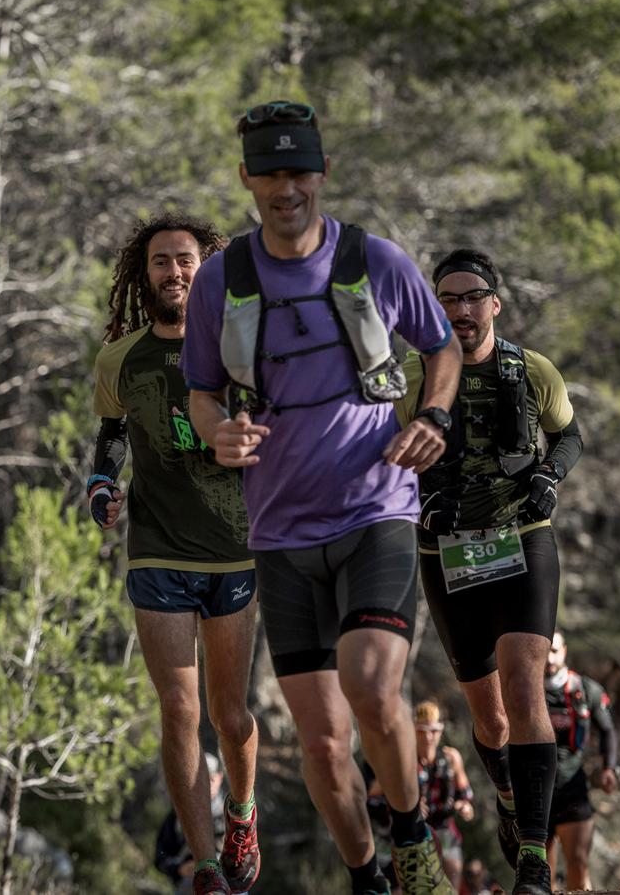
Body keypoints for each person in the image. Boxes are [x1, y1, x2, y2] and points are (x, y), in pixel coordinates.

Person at [182, 99, 463, 895]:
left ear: (324, 172)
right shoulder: (220, 281)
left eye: (299, 170)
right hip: (281, 535)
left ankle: (411, 838)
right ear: (246, 178)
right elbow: (203, 392)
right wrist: (216, 434)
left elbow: (440, 349)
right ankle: (368, 876)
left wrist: (434, 416)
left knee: (375, 691)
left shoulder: (376, 261)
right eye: (269, 173)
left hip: (377, 510)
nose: (286, 188)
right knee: (323, 743)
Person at [396, 248, 584, 895]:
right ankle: (508, 793)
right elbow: (380, 458)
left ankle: (534, 856)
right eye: (446, 299)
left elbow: (568, 436)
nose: (460, 310)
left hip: (522, 541)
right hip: (447, 554)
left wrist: (549, 480)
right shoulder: (414, 378)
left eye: (471, 296)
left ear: (495, 304)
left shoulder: (532, 371)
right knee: (491, 720)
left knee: (525, 687)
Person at [91, 214, 260, 895]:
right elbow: (110, 438)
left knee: (233, 714)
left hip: (234, 553)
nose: (174, 273)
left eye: (186, 261)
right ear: (144, 273)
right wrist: (101, 487)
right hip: (156, 553)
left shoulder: (239, 348)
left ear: (207, 269)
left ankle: (242, 814)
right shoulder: (120, 359)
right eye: (161, 262)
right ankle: (207, 863)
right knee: (179, 712)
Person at [363, 702, 474, 894]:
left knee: (451, 869)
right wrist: (401, 806)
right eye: (422, 731)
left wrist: (464, 806)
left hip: (440, 828)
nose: (428, 737)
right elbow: (370, 800)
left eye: (434, 731)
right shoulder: (401, 762)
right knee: (394, 884)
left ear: (441, 730)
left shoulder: (450, 759)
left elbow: (465, 795)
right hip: (400, 830)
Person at [544, 631, 619, 892]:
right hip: (533, 795)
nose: (549, 657)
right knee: (541, 875)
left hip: (573, 790)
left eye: (554, 650)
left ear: (564, 651)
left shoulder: (585, 690)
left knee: (579, 865)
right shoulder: (523, 690)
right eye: (543, 651)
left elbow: (608, 730)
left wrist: (609, 768)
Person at [156, 752, 229, 894]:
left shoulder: (231, 813)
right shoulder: (179, 815)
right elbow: (160, 857)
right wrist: (179, 868)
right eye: (200, 779)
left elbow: (245, 862)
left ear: (220, 778)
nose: (206, 784)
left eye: (211, 779)